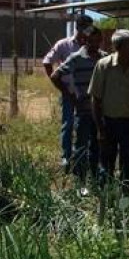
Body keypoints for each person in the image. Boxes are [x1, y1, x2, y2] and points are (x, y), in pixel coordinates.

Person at [89, 29, 129, 191]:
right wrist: (100, 130)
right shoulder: (104, 66)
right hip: (108, 123)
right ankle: (105, 198)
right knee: (106, 164)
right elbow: (95, 99)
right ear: (118, 47)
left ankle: (125, 200)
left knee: (128, 165)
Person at [51, 26, 106, 180]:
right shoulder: (76, 58)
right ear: (85, 41)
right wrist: (70, 96)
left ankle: (96, 179)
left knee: (98, 145)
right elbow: (55, 76)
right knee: (81, 147)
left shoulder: (105, 58)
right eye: (91, 41)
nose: (95, 44)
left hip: (101, 111)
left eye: (98, 40)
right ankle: (80, 182)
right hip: (84, 110)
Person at [43, 14, 94, 170]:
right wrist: (62, 89)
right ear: (78, 28)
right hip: (69, 93)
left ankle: (83, 155)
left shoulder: (91, 46)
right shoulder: (64, 45)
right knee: (68, 124)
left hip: (86, 95)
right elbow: (47, 62)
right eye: (86, 28)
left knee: (86, 124)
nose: (89, 32)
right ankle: (66, 156)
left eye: (90, 28)